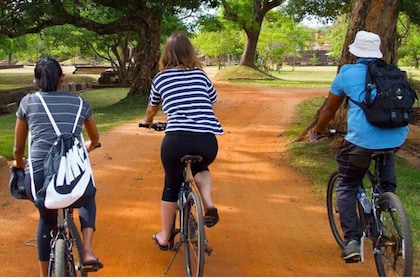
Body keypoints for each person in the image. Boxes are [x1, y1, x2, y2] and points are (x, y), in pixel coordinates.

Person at [310, 31, 409, 262]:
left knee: (346, 185)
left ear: (355, 52)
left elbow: (329, 109)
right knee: (385, 162)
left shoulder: (347, 73)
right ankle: (387, 199)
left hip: (362, 142)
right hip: (397, 137)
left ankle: (353, 241)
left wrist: (319, 129)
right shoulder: (393, 72)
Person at [12, 57, 103, 275]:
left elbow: (17, 149)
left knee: (46, 219)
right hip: (73, 175)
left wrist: (17, 166)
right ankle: (88, 251)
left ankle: (45, 276)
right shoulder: (81, 103)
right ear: (62, 78)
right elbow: (95, 138)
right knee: (87, 199)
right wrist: (89, 148)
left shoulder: (28, 103)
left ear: (36, 81)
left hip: (40, 178)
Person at [140, 31, 224, 251]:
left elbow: (152, 107)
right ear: (190, 52)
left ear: (167, 54)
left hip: (176, 139)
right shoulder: (201, 75)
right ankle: (208, 202)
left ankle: (165, 236)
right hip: (206, 140)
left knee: (171, 183)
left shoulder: (161, 77)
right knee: (201, 164)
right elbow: (212, 100)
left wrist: (148, 121)